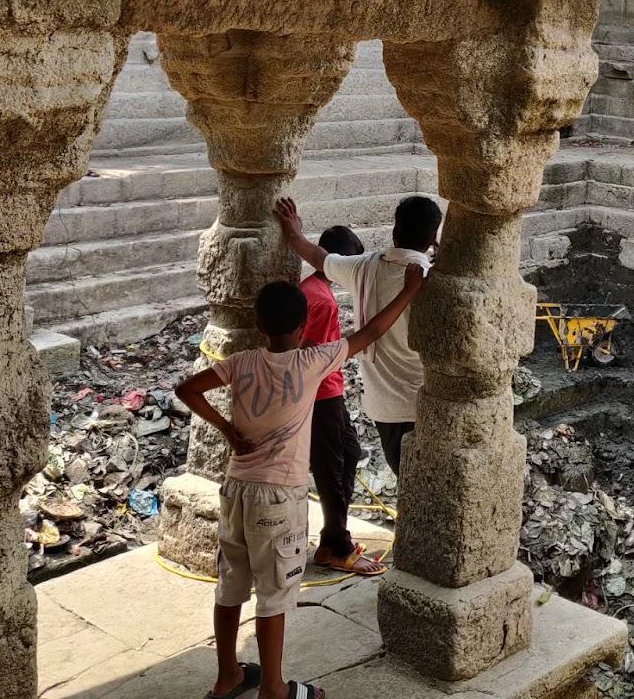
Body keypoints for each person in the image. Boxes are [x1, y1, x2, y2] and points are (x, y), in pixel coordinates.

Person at [176, 267, 422, 699]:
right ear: (304, 326)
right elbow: (373, 330)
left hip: (236, 489)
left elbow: (187, 390)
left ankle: (227, 676)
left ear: (259, 325)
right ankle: (274, 688)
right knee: (274, 594)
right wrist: (410, 289)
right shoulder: (311, 362)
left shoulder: (240, 363)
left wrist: (227, 429)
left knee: (230, 584)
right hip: (278, 498)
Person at [274, 194, 442, 478]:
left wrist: (293, 232)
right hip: (424, 404)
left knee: (406, 478)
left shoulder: (364, 267)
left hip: (382, 405)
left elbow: (319, 257)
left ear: (394, 230)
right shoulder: (432, 280)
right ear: (431, 239)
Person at [300, 224, 384, 577]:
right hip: (322, 395)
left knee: (347, 455)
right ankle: (339, 547)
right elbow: (315, 355)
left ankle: (330, 540)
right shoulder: (320, 300)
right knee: (332, 469)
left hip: (327, 391)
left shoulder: (313, 290)